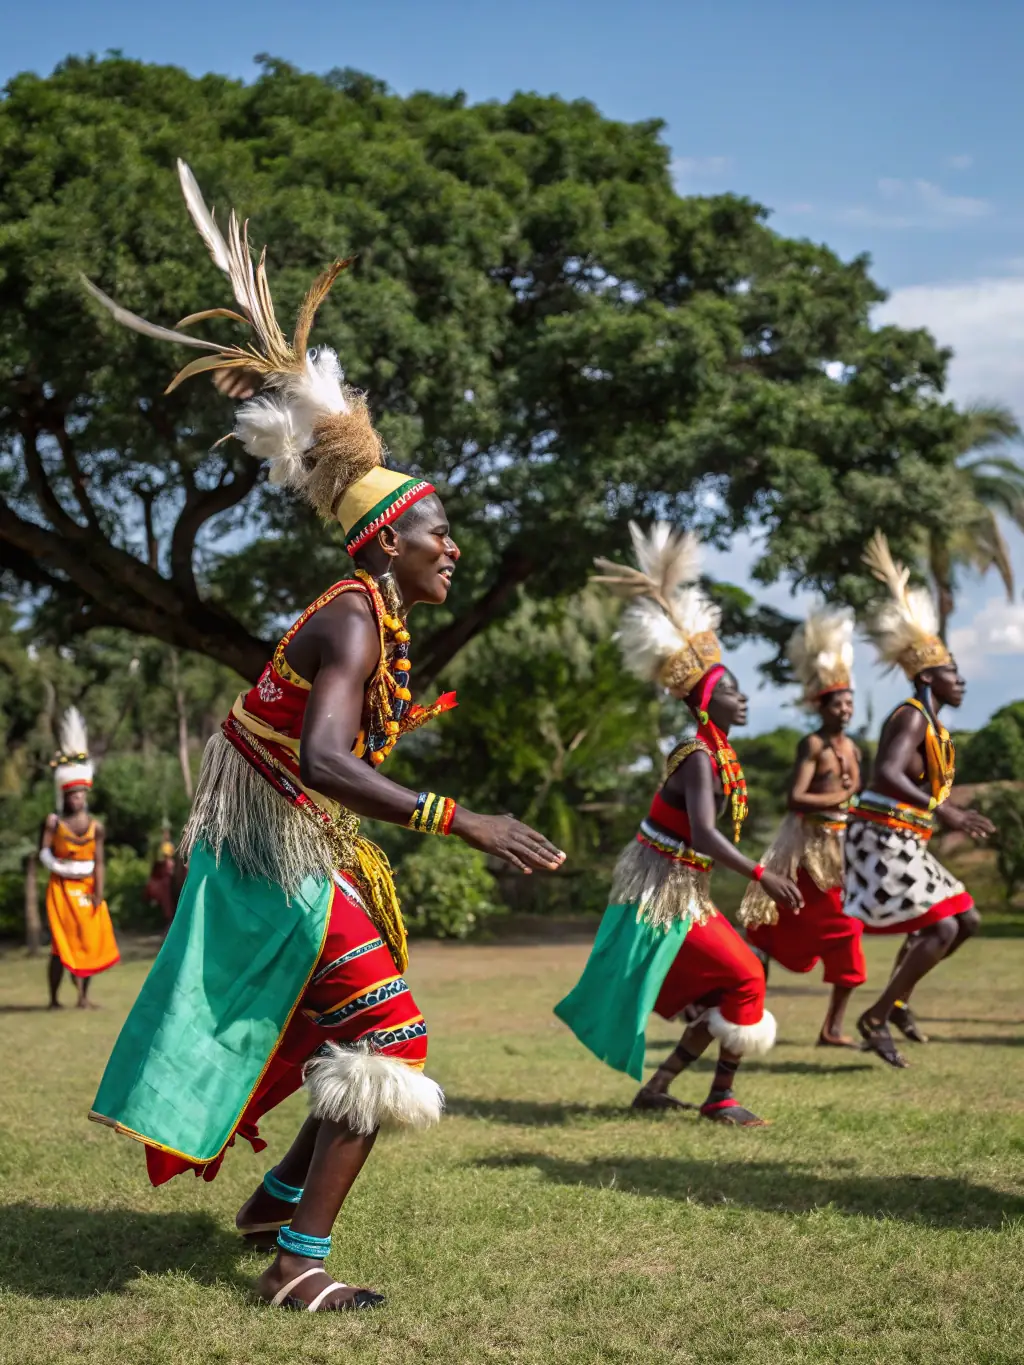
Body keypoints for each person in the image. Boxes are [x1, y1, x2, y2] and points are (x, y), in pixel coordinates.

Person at [85, 161, 564, 1312]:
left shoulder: (376, 615)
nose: (452, 550)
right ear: (387, 541)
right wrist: (464, 819)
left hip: (290, 849)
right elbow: (324, 763)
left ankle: (272, 1209)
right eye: (436, 535)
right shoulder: (352, 615)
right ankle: (298, 1267)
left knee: (354, 1028)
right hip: (272, 854)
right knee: (388, 1034)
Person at [555, 523, 801, 1126]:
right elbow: (707, 837)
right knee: (745, 973)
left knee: (734, 984)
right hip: (662, 893)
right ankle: (720, 1099)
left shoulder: (715, 752)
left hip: (679, 889)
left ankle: (661, 1086)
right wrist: (762, 874)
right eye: (732, 692)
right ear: (704, 700)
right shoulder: (696, 755)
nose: (742, 700)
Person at [845, 532, 994, 1067]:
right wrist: (947, 810)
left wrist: (944, 812)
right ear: (930, 675)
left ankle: (896, 1002)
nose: (961, 680)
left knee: (967, 921)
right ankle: (876, 1016)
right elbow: (884, 774)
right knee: (945, 926)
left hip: (904, 838)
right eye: (953, 672)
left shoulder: (932, 724)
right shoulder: (910, 715)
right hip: (878, 839)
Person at [739, 608, 866, 1045]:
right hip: (807, 851)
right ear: (820, 705)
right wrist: (839, 799)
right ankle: (744, 1008)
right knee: (771, 927)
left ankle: (832, 1028)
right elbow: (796, 798)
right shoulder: (812, 744)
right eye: (838, 702)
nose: (846, 709)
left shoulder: (853, 748)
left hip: (840, 854)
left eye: (850, 702)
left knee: (849, 932)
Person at [41, 708, 119, 1008]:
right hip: (61, 890)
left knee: (88, 941)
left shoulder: (96, 826)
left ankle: (84, 997)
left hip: (87, 890)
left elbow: (99, 861)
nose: (78, 799)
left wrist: (99, 890)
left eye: (81, 795)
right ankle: (53, 999)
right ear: (65, 796)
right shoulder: (53, 823)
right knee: (60, 947)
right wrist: (60, 866)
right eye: (73, 795)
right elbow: (44, 852)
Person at [143, 838, 179, 929]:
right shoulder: (162, 865)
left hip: (168, 886)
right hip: (164, 887)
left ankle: (169, 919)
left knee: (168, 901)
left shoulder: (171, 864)